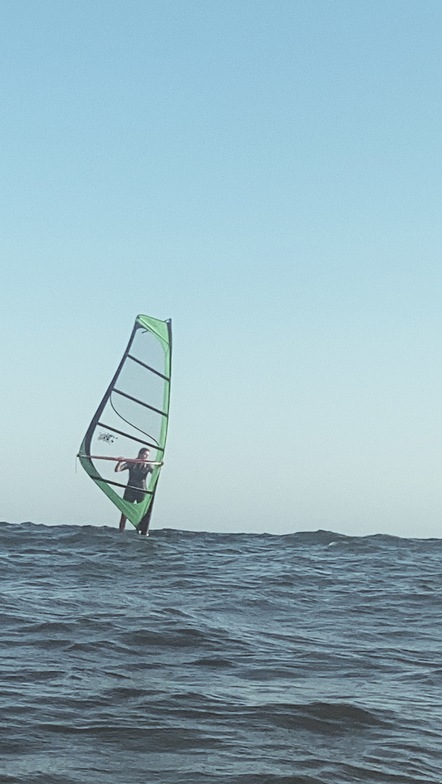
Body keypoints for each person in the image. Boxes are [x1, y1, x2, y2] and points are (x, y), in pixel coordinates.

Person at [115, 448, 153, 532]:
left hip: (142, 491)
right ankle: (121, 531)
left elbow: (155, 473)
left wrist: (158, 466)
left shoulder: (148, 465)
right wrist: (119, 462)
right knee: (124, 512)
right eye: (145, 455)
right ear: (140, 454)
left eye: (147, 456)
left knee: (142, 513)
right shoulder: (131, 463)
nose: (146, 457)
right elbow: (117, 470)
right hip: (130, 490)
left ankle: (140, 531)